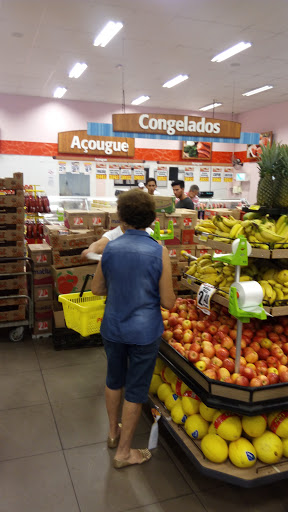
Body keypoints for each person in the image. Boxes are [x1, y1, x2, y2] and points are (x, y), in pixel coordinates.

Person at [91, 189, 175, 469]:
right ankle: (124, 453)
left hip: (113, 326)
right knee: (136, 390)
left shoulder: (111, 248)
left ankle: (113, 434)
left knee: (114, 379)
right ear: (150, 218)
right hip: (144, 332)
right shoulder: (158, 251)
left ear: (122, 218)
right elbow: (167, 300)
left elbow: (96, 288)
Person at [81, 222, 154, 258]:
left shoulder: (148, 231)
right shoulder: (113, 234)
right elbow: (99, 244)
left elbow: (158, 246)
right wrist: (90, 251)